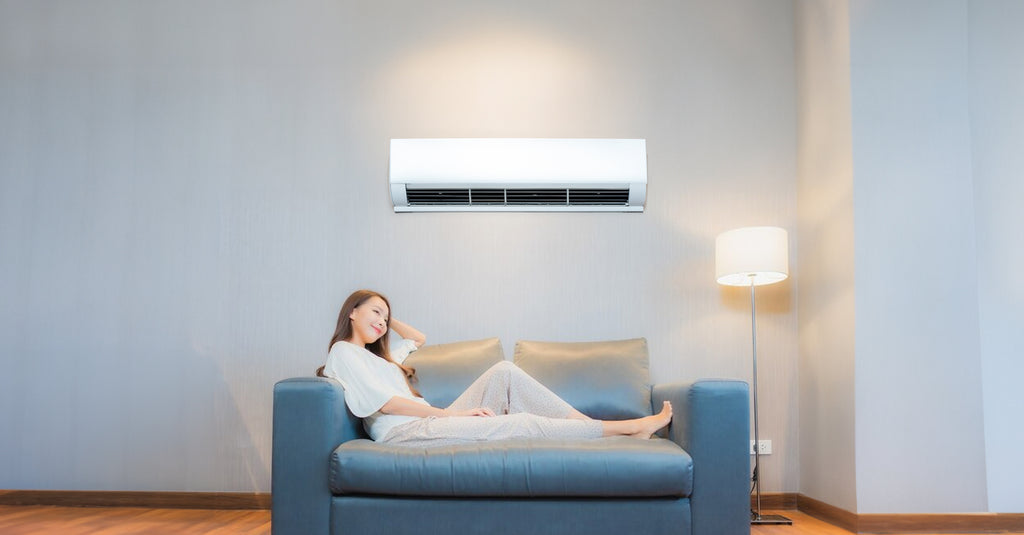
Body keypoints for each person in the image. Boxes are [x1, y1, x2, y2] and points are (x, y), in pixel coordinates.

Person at [317, 289, 672, 448]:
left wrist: (387, 320)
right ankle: (629, 429)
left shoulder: (381, 357)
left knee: (504, 371)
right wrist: (449, 416)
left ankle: (585, 425)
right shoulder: (344, 353)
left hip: (424, 421)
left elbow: (420, 339)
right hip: (405, 433)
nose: (382, 321)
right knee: (521, 422)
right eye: (374, 312)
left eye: (385, 314)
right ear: (352, 311)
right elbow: (387, 404)